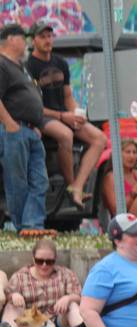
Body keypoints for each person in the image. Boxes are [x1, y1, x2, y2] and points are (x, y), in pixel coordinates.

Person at [25, 21, 105, 210]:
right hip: (42, 116)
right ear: (33, 40)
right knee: (65, 136)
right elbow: (33, 105)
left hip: (63, 114)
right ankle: (71, 188)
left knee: (99, 138)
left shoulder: (60, 62)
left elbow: (68, 96)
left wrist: (77, 114)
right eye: (42, 36)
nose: (47, 40)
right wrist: (63, 117)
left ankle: (78, 184)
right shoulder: (29, 66)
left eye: (50, 36)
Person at [0, 23, 47, 234]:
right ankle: (23, 227)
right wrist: (10, 124)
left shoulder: (20, 67)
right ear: (10, 39)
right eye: (22, 38)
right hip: (13, 130)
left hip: (31, 130)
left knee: (40, 179)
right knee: (17, 180)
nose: (26, 43)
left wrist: (35, 125)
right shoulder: (1, 64)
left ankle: (33, 224)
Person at [0, 238, 82, 327]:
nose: (44, 265)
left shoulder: (66, 274)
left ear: (55, 259)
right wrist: (13, 296)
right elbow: (5, 296)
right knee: (11, 306)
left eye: (49, 262)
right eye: (39, 261)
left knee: (72, 305)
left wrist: (68, 298)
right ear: (33, 258)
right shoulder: (20, 276)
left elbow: (80, 296)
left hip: (57, 324)